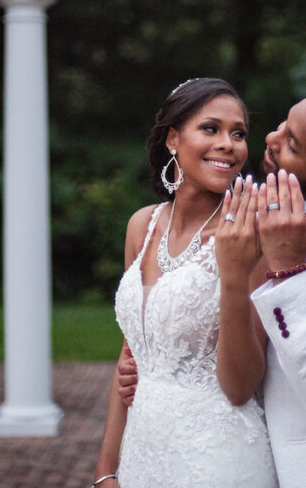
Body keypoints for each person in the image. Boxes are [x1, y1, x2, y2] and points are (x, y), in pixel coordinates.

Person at [118, 87, 306, 486]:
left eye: (291, 143)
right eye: (282, 125)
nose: (270, 140)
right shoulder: (273, 209)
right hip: (210, 448)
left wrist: (288, 269)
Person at [92, 78, 278, 488]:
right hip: (142, 451)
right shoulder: (142, 225)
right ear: (173, 139)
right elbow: (130, 358)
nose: (228, 143)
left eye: (239, 133)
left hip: (216, 458)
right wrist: (105, 469)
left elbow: (241, 387)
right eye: (211, 128)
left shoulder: (252, 234)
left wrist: (232, 275)